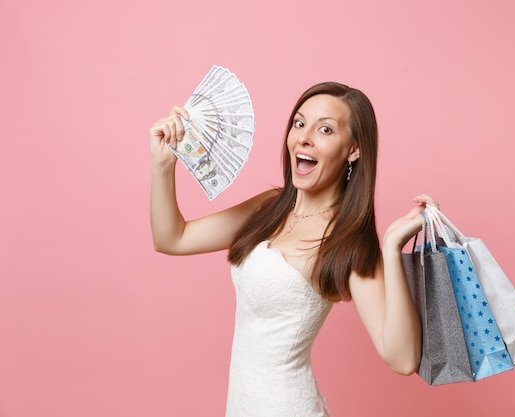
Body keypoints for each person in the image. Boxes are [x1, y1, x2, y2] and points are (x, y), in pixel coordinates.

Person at [149, 81, 438, 417]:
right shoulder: (270, 207)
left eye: (325, 129)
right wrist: (163, 165)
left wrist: (390, 249)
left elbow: (402, 359)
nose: (304, 137)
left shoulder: (346, 241)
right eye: (299, 123)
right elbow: (172, 239)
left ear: (353, 150)